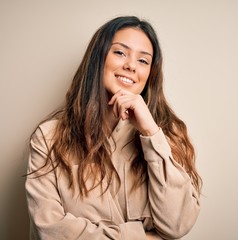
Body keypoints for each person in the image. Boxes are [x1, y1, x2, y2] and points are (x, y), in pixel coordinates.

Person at [25, 16, 202, 240]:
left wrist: (150, 133)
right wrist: (142, 237)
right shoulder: (48, 138)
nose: (130, 66)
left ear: (150, 75)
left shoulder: (167, 135)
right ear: (98, 59)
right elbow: (49, 231)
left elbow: (177, 225)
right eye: (120, 52)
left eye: (143, 61)